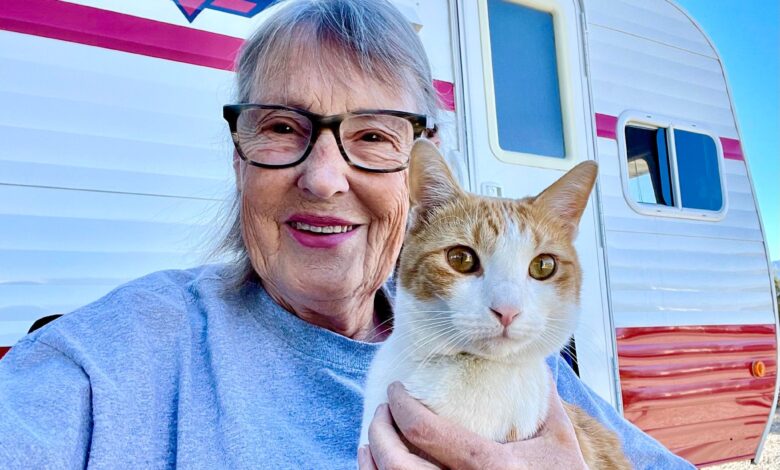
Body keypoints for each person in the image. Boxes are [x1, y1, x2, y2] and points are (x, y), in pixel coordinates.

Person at [0, 0, 694, 468]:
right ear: (238, 152)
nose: (325, 178)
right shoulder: (110, 357)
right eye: (281, 127)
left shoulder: (524, 360)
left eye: (371, 134)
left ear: (419, 179)